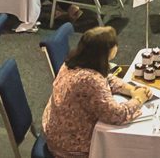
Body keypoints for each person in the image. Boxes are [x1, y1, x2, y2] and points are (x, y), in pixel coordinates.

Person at [41, 26, 150, 157]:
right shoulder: (89, 80)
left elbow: (106, 79)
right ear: (106, 52)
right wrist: (138, 99)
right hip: (70, 147)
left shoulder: (73, 63)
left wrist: (132, 90)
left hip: (56, 131)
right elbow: (116, 115)